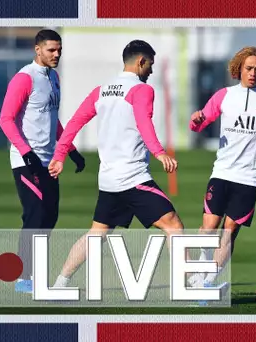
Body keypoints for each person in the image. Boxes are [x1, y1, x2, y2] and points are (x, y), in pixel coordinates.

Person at [48, 40, 185, 289]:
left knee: (97, 234)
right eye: (150, 65)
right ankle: (192, 283)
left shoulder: (102, 89)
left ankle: (60, 283)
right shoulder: (142, 90)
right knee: (173, 224)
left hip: (109, 180)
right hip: (133, 177)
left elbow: (74, 123)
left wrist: (59, 156)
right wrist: (159, 152)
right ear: (141, 62)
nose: (151, 71)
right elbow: (144, 122)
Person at [187, 46, 256, 288]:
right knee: (208, 228)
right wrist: (196, 120)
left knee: (229, 231)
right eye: (249, 68)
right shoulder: (224, 95)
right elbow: (200, 122)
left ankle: (209, 281)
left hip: (250, 177)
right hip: (222, 172)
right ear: (239, 69)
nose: (253, 73)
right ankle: (199, 272)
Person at [0, 29, 86, 293]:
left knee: (49, 216)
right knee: (35, 216)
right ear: (38, 50)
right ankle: (23, 278)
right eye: (51, 50)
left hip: (49, 161)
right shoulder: (24, 78)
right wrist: (26, 152)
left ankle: (33, 273)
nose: (56, 54)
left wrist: (70, 150)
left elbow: (53, 121)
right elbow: (5, 119)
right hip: (28, 161)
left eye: (59, 49)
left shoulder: (53, 77)